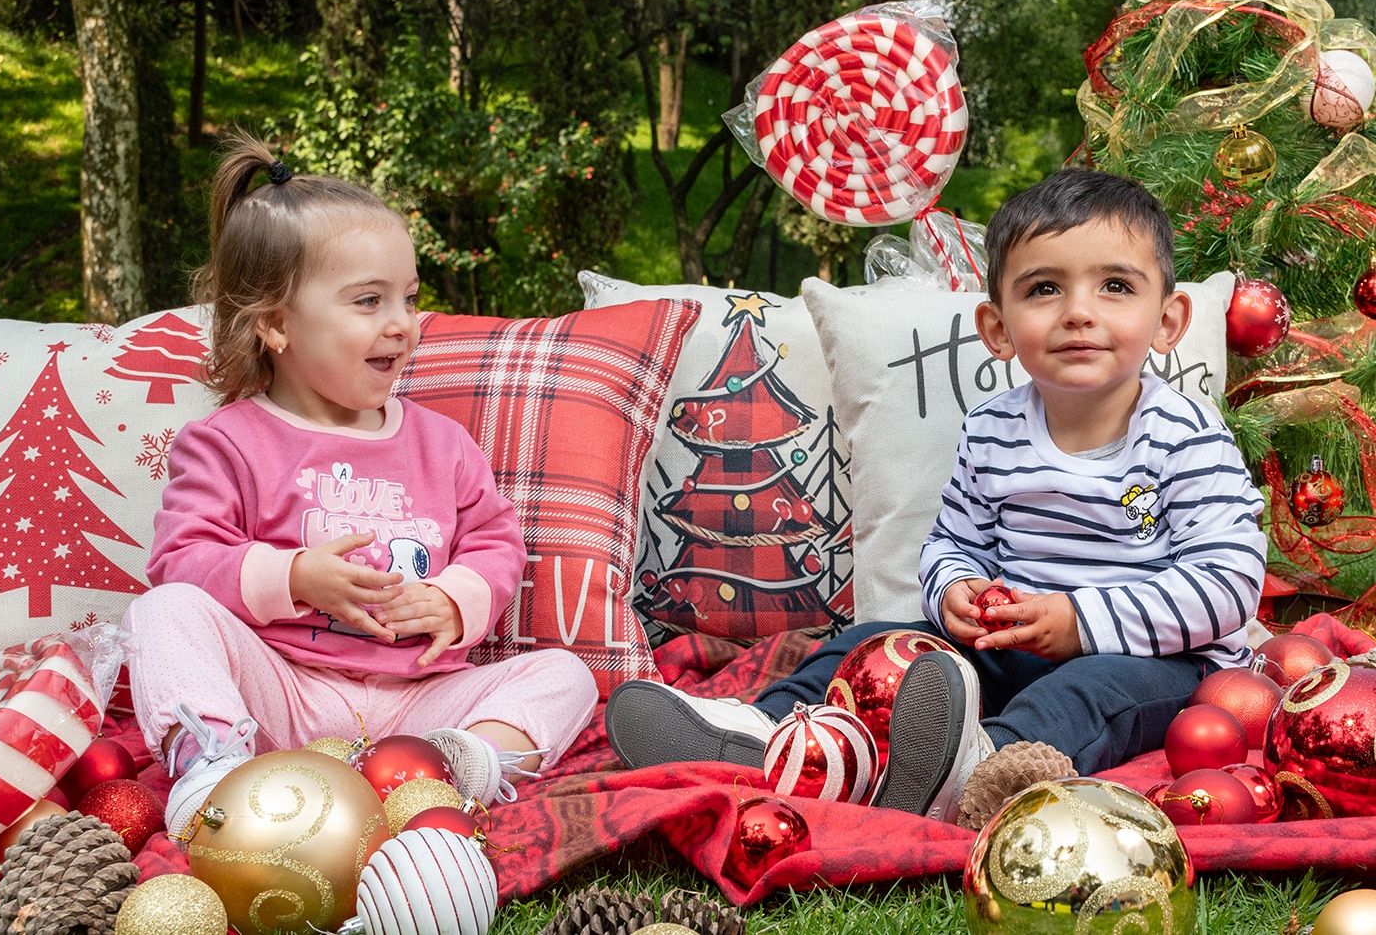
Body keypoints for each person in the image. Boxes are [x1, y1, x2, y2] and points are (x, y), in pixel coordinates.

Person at [604, 168, 1267, 825]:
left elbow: (1227, 582)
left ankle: (986, 766)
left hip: (1154, 661)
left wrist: (1080, 622)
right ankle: (764, 729)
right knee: (872, 641)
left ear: (1168, 319)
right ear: (999, 327)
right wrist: (957, 592)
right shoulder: (994, 429)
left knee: (1087, 693)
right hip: (1012, 643)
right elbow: (954, 543)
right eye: (1044, 289)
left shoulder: (1184, 434)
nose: (1079, 312)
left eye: (1116, 286)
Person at [121, 134, 598, 845]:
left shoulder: (441, 445)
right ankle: (215, 774)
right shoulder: (227, 442)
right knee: (163, 613)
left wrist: (452, 599)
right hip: (282, 692)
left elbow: (496, 542)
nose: (401, 325)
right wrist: (296, 575)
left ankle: (454, 771)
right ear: (277, 323)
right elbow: (184, 559)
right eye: (368, 301)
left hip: (418, 702)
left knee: (567, 676)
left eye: (408, 297)